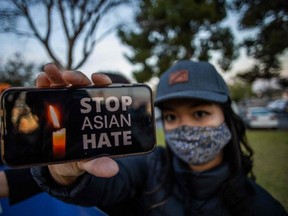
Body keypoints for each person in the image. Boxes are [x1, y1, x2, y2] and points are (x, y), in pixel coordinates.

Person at [13, 61, 288, 215]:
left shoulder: (263, 209)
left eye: (201, 113)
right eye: (170, 117)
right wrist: (65, 174)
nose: (183, 126)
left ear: (226, 118)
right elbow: (104, 186)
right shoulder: (149, 166)